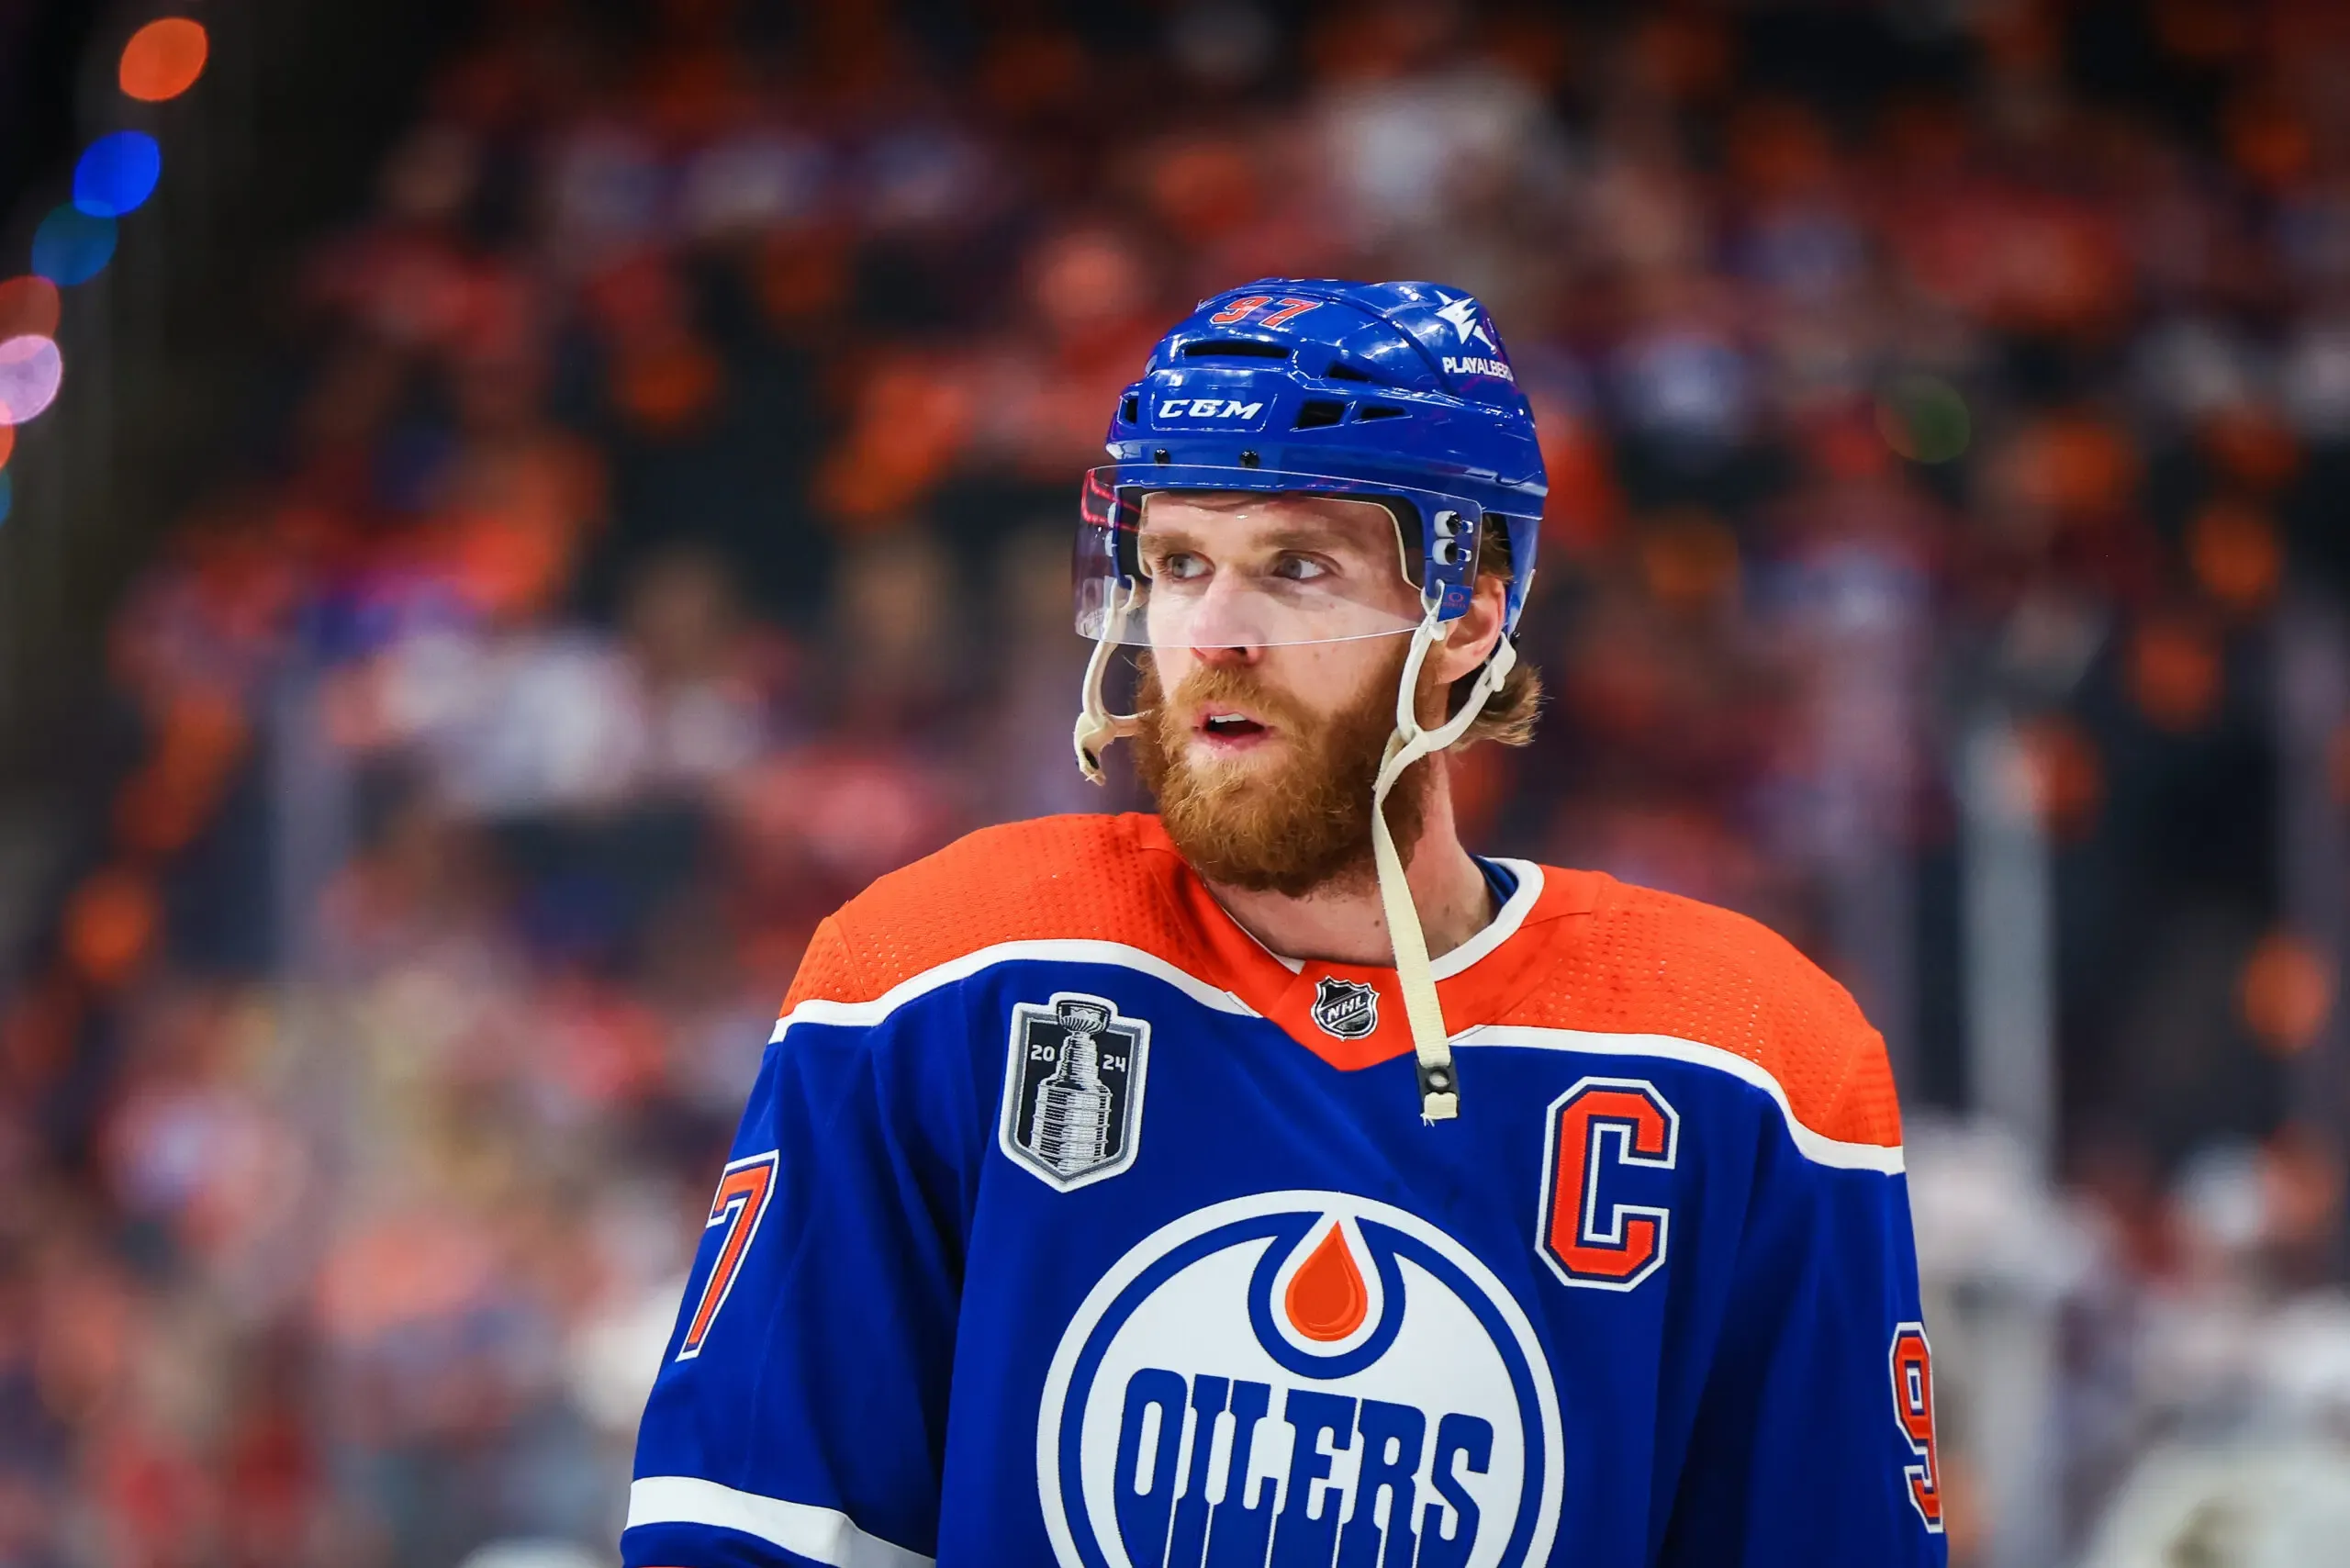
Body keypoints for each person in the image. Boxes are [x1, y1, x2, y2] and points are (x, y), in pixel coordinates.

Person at [621, 280, 1946, 1568]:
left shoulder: (1752, 1064)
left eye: (1296, 567)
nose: (1213, 632)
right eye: (1178, 563)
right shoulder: (945, 976)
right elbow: (754, 1536)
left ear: (1467, 612)